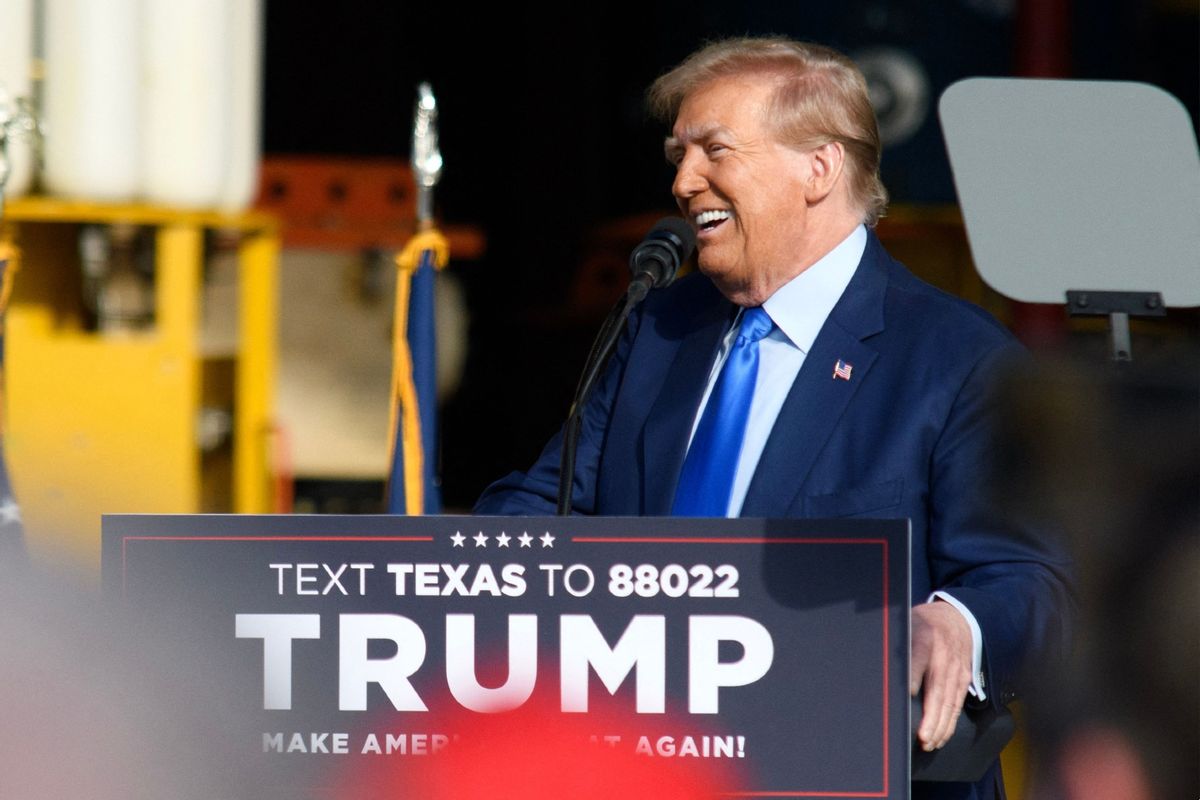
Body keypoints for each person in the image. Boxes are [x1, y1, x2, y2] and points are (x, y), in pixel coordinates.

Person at [476, 37, 1072, 800]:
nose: (686, 182)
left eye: (714, 150)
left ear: (818, 168)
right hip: (642, 763)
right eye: (678, 155)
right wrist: (461, 567)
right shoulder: (655, 327)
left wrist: (958, 624)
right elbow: (546, 503)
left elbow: (1031, 578)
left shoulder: (959, 359)